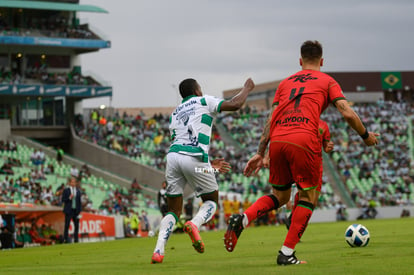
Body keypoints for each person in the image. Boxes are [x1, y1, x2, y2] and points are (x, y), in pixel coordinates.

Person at [224, 40, 379, 265]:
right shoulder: (327, 81)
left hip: (277, 139)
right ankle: (286, 253)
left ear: (300, 61)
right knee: (308, 196)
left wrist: (260, 152)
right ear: (322, 61)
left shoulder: (286, 83)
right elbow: (347, 113)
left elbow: (270, 119)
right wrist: (366, 136)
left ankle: (243, 219)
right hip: (304, 137)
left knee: (281, 197)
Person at [151, 77, 255, 264]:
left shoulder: (174, 114)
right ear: (197, 90)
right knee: (211, 201)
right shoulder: (204, 100)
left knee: (173, 210)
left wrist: (207, 164)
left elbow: (183, 151)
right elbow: (236, 104)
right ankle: (194, 224)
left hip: (173, 158)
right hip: (194, 158)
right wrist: (247, 88)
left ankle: (158, 251)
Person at [62, 176, 82, 243]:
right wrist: (69, 198)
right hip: (69, 210)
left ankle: (76, 239)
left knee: (76, 226)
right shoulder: (66, 190)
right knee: (67, 225)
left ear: (76, 183)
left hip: (76, 211)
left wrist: (79, 211)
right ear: (69, 183)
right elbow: (63, 200)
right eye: (72, 182)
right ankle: (65, 239)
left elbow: (79, 202)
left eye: (74, 182)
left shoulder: (78, 191)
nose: (73, 183)